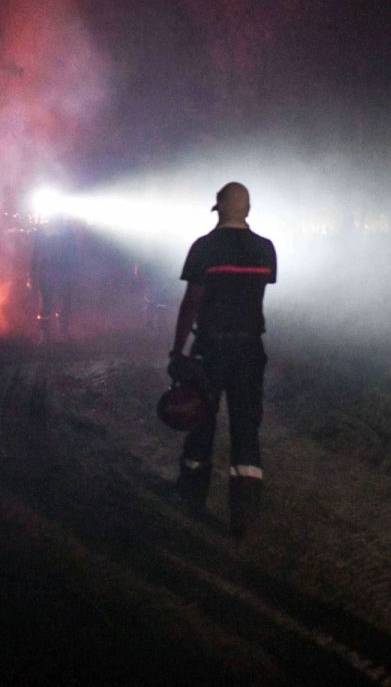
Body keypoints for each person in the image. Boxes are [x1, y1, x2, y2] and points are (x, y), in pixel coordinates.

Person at [170, 182, 277, 538]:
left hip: (210, 349)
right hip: (249, 350)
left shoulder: (204, 248)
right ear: (248, 209)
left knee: (201, 421)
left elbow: (192, 302)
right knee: (246, 428)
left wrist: (177, 350)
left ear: (217, 208)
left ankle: (192, 497)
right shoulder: (265, 250)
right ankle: (243, 513)